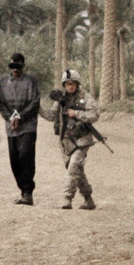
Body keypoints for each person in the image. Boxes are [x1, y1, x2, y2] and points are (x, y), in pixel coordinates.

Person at [45, 69, 102, 210]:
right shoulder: (61, 100)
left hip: (82, 138)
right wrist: (37, 107)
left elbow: (95, 114)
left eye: (73, 83)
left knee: (73, 167)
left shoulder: (85, 97)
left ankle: (67, 198)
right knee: (77, 170)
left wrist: (76, 113)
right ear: (64, 85)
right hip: (66, 141)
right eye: (67, 84)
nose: (70, 86)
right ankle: (88, 199)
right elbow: (51, 115)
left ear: (77, 84)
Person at [0, 51, 41, 205]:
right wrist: (10, 117)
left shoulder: (31, 81)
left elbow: (35, 102)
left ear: (23, 66)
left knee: (25, 156)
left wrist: (20, 116)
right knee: (14, 159)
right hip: (11, 128)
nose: (15, 69)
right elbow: (0, 103)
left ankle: (28, 192)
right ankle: (23, 190)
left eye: (18, 66)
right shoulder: (3, 82)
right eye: (13, 66)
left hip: (28, 126)